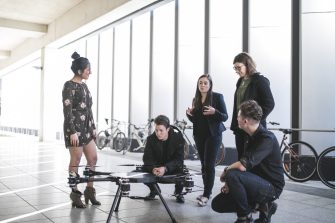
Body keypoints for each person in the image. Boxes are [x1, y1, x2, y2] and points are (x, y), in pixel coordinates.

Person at [211, 100, 284, 223]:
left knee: (232, 174)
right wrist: (230, 183)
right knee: (218, 204)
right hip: (254, 181)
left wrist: (226, 171)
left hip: (271, 187)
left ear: (245, 121)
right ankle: (262, 206)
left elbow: (242, 166)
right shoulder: (248, 137)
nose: (236, 118)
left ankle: (245, 217)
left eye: (238, 116)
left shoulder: (267, 139)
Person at [62, 52, 100, 208]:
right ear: (79, 71)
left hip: (86, 128)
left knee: (93, 158)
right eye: (87, 69)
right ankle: (75, 194)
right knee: (76, 160)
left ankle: (89, 191)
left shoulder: (84, 85)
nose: (89, 72)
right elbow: (67, 110)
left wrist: (93, 127)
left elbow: (89, 109)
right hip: (74, 129)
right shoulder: (68, 86)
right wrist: (72, 131)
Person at [186, 74, 228, 207]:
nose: (202, 85)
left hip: (213, 135)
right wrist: (189, 115)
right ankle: (207, 192)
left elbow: (225, 117)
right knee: (203, 165)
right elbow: (196, 120)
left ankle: (206, 194)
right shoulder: (196, 99)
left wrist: (214, 112)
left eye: (205, 83)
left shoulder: (217, 97)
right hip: (199, 135)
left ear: (210, 85)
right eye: (200, 83)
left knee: (209, 165)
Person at [231, 52, 275, 160]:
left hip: (253, 128)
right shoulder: (240, 81)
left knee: (252, 161)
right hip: (240, 127)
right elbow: (237, 104)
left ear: (247, 65)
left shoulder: (260, 80)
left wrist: (254, 120)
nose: (237, 70)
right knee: (241, 158)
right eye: (235, 68)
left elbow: (269, 103)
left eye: (239, 67)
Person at [142, 115, 186, 203]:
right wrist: (153, 168)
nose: (158, 133)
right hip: (156, 167)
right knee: (142, 172)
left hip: (172, 167)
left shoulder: (178, 138)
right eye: (156, 130)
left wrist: (165, 168)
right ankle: (154, 189)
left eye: (161, 130)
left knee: (182, 171)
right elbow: (147, 159)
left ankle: (178, 192)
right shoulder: (150, 139)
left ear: (168, 129)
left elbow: (179, 160)